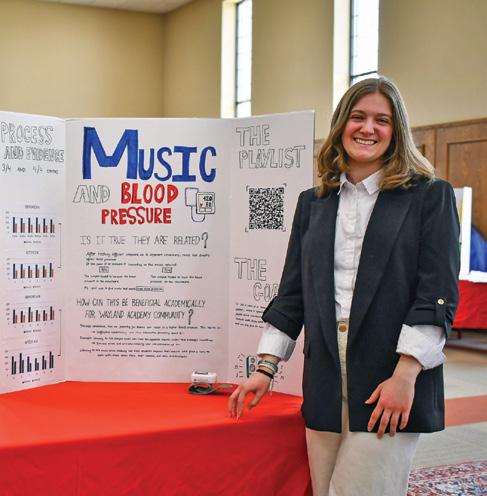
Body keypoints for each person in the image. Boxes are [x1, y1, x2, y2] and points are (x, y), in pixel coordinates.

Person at [228, 76, 460, 496]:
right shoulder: (313, 202)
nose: (368, 128)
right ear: (341, 125)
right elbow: (292, 293)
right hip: (324, 375)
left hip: (390, 373)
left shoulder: (429, 196)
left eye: (381, 120)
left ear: (396, 131)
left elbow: (436, 293)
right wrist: (266, 367)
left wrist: (405, 375)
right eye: (358, 117)